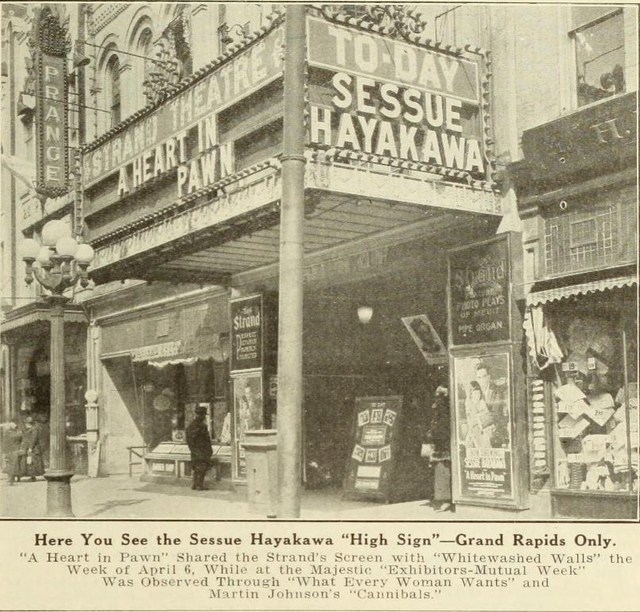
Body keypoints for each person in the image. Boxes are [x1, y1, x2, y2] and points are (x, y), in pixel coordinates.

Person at [426, 385, 453, 512]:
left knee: (442, 470)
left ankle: (445, 499)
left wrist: (433, 436)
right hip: (442, 442)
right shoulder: (442, 405)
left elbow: (438, 424)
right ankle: (445, 499)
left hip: (442, 442)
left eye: (439, 393)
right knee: (442, 470)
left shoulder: (440, 405)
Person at [474, 362, 508, 448]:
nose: (482, 380)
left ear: (489, 377)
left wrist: (478, 420)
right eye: (479, 377)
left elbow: (495, 414)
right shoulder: (476, 392)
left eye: (484, 376)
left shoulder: (496, 391)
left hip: (495, 432)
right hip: (480, 433)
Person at [186, 405, 213, 490]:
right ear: (201, 415)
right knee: (202, 468)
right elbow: (206, 439)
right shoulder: (202, 426)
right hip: (202, 450)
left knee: (196, 468)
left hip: (194, 450)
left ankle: (194, 484)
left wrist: (192, 449)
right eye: (204, 415)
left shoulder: (191, 425)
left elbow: (189, 439)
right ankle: (199, 485)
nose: (204, 417)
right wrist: (209, 450)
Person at [464, 381, 493, 449]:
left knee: (484, 443)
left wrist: (480, 414)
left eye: (479, 393)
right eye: (475, 393)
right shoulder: (468, 402)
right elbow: (469, 417)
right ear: (471, 393)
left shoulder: (482, 402)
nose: (478, 395)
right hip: (472, 428)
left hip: (482, 428)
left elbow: (486, 415)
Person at [20, 416, 45, 481]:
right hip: (29, 447)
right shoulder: (29, 429)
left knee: (33, 462)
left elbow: (34, 439)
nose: (26, 425)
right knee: (29, 461)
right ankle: (31, 476)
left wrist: (31, 447)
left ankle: (33, 476)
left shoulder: (34, 429)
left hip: (34, 448)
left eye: (27, 423)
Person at [1, 420, 23, 485]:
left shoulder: (18, 432)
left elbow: (21, 439)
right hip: (9, 450)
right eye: (11, 424)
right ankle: (11, 477)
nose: (12, 425)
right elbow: (4, 441)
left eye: (13, 424)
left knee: (14, 464)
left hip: (15, 449)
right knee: (10, 464)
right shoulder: (8, 432)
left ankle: (12, 478)